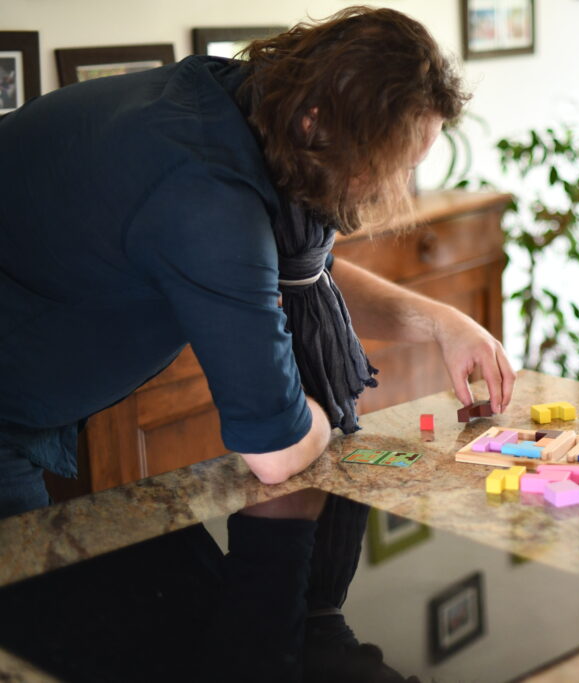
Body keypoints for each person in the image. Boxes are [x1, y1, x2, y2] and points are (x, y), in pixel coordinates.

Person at [0, 7, 515, 518]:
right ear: (318, 123)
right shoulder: (209, 196)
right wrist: (317, 415)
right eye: (393, 163)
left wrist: (441, 322)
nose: (398, 188)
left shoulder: (240, 104)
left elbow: (302, 274)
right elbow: (276, 453)